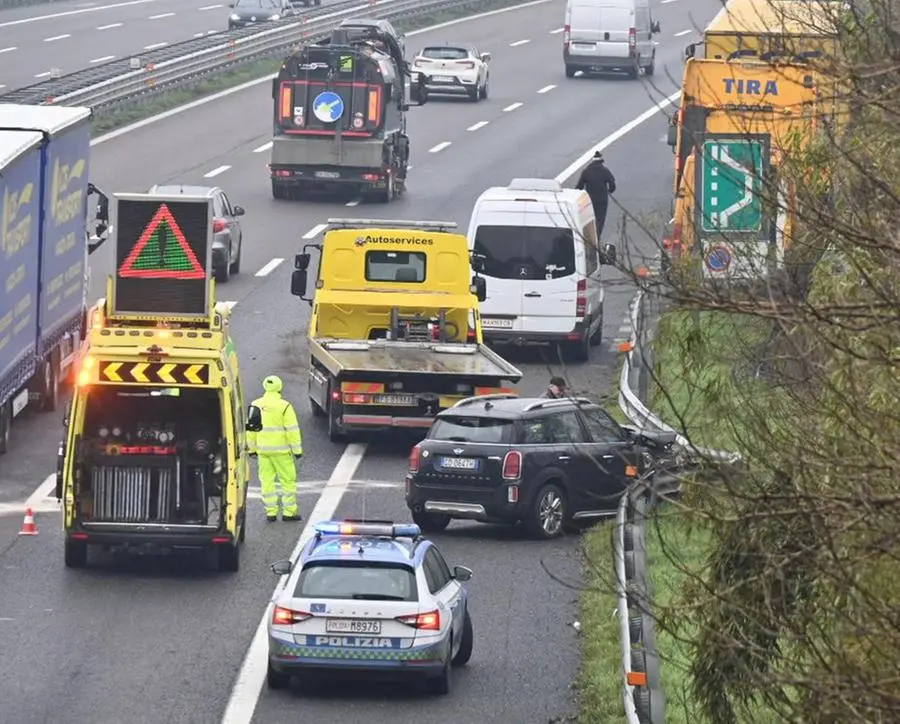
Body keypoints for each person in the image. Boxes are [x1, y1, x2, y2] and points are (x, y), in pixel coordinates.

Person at [246, 375, 303, 522]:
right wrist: (297, 450)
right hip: (282, 452)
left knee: (266, 482)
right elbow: (292, 430)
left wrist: (251, 449)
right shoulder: (285, 406)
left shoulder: (256, 404)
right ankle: (289, 512)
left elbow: (251, 430)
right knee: (287, 481)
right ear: (279, 388)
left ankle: (270, 512)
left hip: (263, 451)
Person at [575, 151, 617, 238]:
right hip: (602, 200)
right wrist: (608, 191)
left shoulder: (586, 171)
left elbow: (579, 187)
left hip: (589, 200)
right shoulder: (605, 171)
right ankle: (597, 237)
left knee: (589, 219)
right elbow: (612, 185)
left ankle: (588, 237)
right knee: (600, 219)